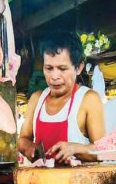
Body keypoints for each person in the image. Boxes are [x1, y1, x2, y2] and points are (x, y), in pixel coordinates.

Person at [17, 32, 106, 164]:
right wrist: (29, 148)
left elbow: (103, 150)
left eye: (62, 69)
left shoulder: (88, 99)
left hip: (77, 183)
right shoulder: (37, 99)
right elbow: (22, 139)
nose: (54, 76)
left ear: (79, 67)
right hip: (39, 182)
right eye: (49, 68)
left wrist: (75, 149)